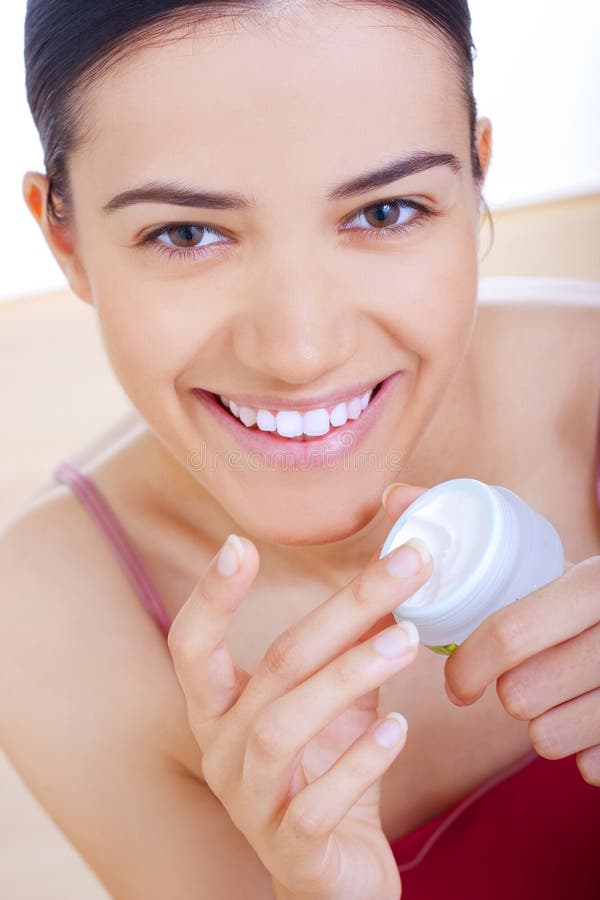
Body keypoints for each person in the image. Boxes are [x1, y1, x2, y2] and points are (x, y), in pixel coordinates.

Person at [1, 1, 599, 897]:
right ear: (66, 238)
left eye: (387, 209)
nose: (300, 351)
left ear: (477, 176)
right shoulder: (45, 621)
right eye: (186, 233)